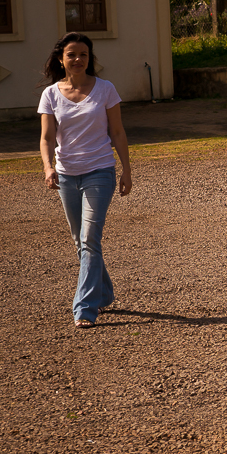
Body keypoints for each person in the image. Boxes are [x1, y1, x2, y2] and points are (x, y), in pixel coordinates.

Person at [38, 32, 132, 329]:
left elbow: (117, 132)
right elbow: (46, 137)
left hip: (100, 171)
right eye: (71, 54)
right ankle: (103, 293)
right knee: (81, 241)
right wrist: (48, 167)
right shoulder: (51, 94)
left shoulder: (105, 89)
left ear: (90, 59)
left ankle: (85, 308)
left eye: (83, 55)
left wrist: (126, 170)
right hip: (66, 175)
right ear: (60, 59)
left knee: (90, 238)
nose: (78, 59)